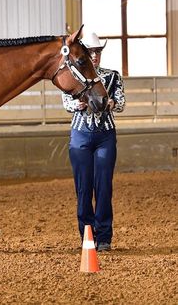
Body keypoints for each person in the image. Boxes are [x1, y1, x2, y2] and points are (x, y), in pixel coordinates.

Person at [62, 31, 126, 251]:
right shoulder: (72, 76)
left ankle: (105, 237)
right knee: (83, 188)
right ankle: (87, 236)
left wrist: (111, 104)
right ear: (85, 53)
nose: (95, 55)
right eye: (91, 51)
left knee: (103, 186)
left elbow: (121, 102)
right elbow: (66, 103)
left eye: (98, 51)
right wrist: (76, 106)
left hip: (105, 136)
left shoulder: (113, 76)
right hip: (80, 136)